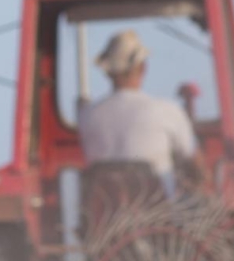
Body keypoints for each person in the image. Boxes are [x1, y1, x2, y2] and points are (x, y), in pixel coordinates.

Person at [78, 29, 197, 198]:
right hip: (159, 218)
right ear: (142, 67)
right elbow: (190, 160)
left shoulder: (87, 115)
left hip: (102, 217)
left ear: (108, 72)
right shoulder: (168, 111)